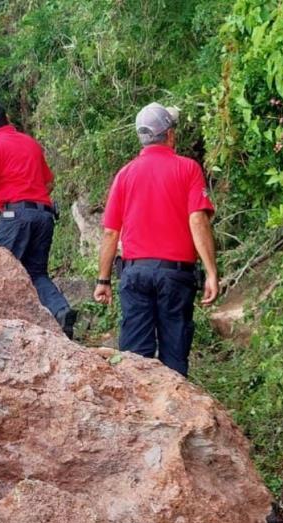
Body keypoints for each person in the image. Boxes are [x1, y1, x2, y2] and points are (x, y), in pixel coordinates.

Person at [93, 102, 219, 377]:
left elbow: (110, 232)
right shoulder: (187, 169)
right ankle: (174, 413)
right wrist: (211, 272)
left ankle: (137, 414)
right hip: (175, 275)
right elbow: (197, 220)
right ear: (170, 134)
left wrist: (103, 280)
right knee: (174, 355)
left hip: (135, 273)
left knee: (134, 358)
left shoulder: (125, 174)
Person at [0, 99, 76, 338]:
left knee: (1, 272)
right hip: (43, 215)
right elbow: (49, 182)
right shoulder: (31, 143)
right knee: (36, 273)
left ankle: (1, 333)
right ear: (8, 117)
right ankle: (61, 311)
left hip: (14, 217)